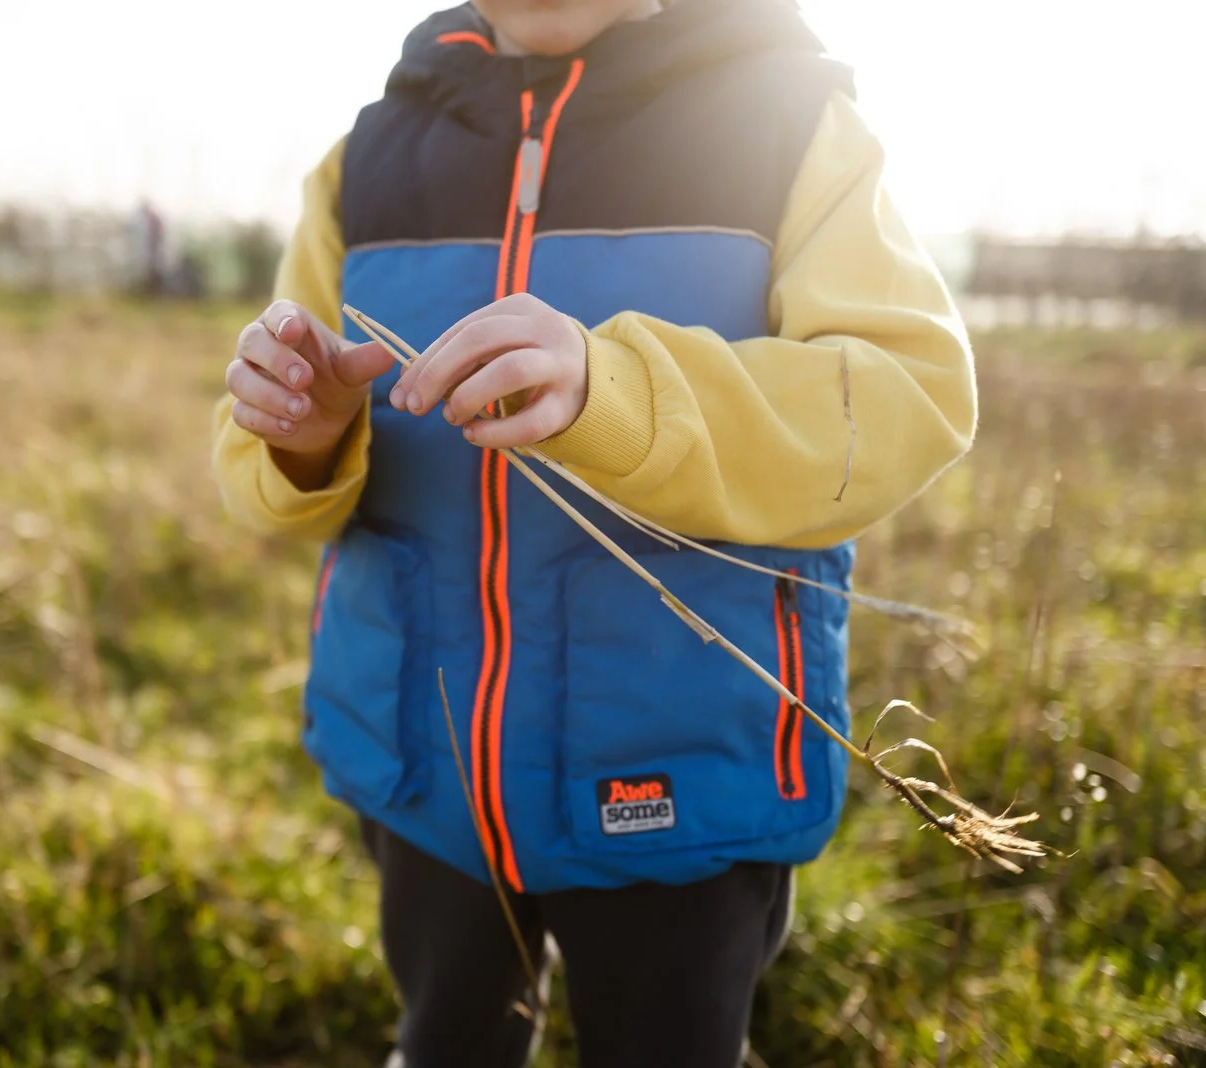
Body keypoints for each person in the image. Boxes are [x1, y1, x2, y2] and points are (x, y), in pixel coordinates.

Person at [210, 1, 976, 1064]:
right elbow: (264, 466)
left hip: (682, 763)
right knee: (445, 1040)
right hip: (422, 763)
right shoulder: (365, 160)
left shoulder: (784, 117)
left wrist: (614, 392)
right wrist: (301, 434)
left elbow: (908, 398)